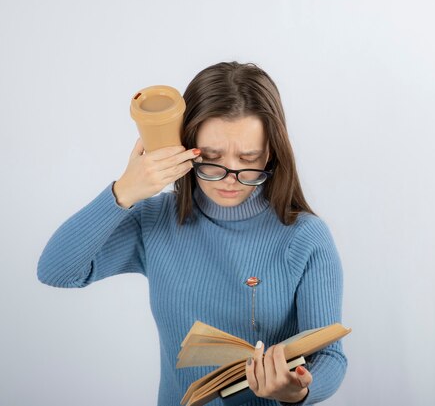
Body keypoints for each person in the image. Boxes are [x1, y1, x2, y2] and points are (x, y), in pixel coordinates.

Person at [37, 61, 347, 406]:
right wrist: (123, 191)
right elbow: (56, 271)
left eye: (249, 158)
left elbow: (330, 357)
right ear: (188, 147)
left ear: (271, 154)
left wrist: (298, 390)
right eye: (212, 157)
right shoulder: (155, 220)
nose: (231, 177)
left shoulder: (305, 236)